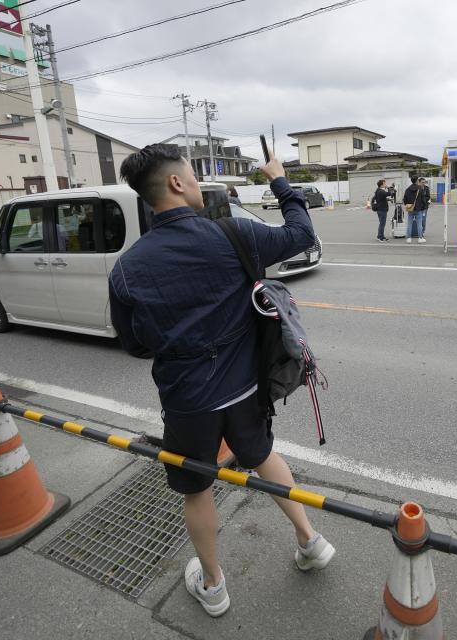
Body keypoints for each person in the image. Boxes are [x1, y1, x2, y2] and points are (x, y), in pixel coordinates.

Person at [108, 144, 335, 619]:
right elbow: (301, 232)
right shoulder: (235, 235)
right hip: (247, 388)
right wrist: (278, 179)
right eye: (191, 173)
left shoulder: (127, 267)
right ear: (175, 183)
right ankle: (309, 540)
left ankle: (213, 586)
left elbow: (134, 345)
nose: (194, 180)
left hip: (188, 400)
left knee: (197, 488)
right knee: (262, 454)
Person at [402, 176, 429, 243]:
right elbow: (423, 199)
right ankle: (420, 238)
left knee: (409, 223)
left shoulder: (408, 189)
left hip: (410, 208)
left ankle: (409, 238)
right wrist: (424, 207)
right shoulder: (420, 189)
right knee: (419, 224)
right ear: (417, 181)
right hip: (418, 209)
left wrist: (407, 205)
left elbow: (405, 199)